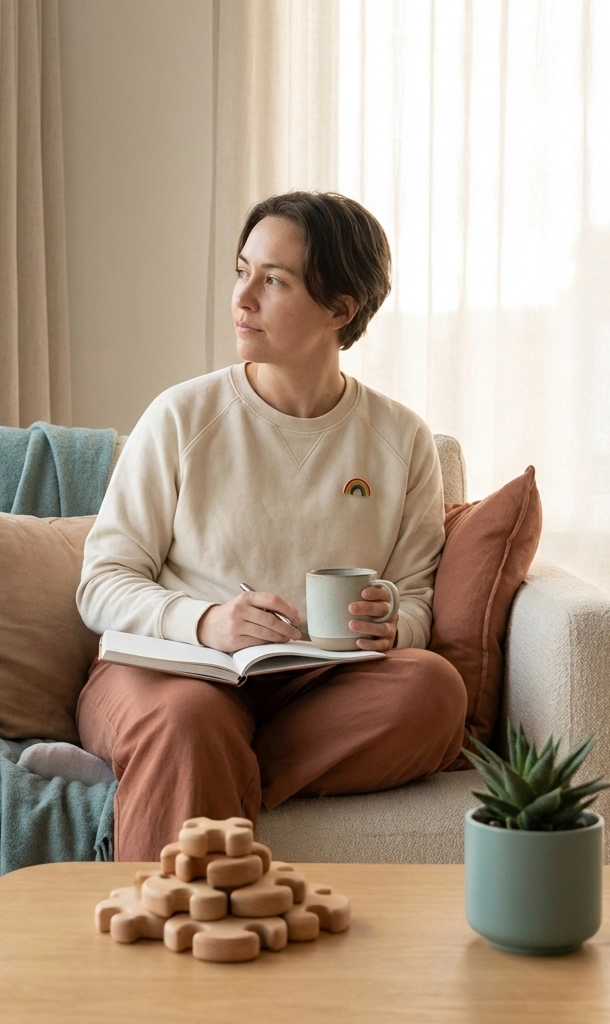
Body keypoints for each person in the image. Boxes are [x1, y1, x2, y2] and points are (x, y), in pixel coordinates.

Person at [76, 191, 466, 860]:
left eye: (274, 280)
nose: (243, 297)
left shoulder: (403, 439)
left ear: (339, 310)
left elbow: (416, 598)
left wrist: (393, 625)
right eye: (242, 270)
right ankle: (185, 781)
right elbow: (101, 583)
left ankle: (194, 775)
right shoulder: (181, 416)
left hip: (318, 693)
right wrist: (207, 622)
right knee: (189, 721)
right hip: (173, 675)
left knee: (433, 690)